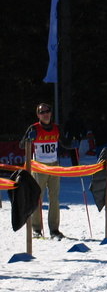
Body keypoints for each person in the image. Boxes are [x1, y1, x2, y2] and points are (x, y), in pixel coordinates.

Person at [19, 102, 69, 239]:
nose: (45, 114)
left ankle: (54, 230)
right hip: (39, 167)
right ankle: (36, 229)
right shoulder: (34, 128)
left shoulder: (57, 128)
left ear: (51, 113)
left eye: (47, 111)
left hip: (54, 166)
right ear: (38, 115)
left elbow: (65, 143)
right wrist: (29, 138)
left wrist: (73, 143)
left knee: (54, 198)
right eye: (42, 112)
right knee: (37, 198)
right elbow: (22, 145)